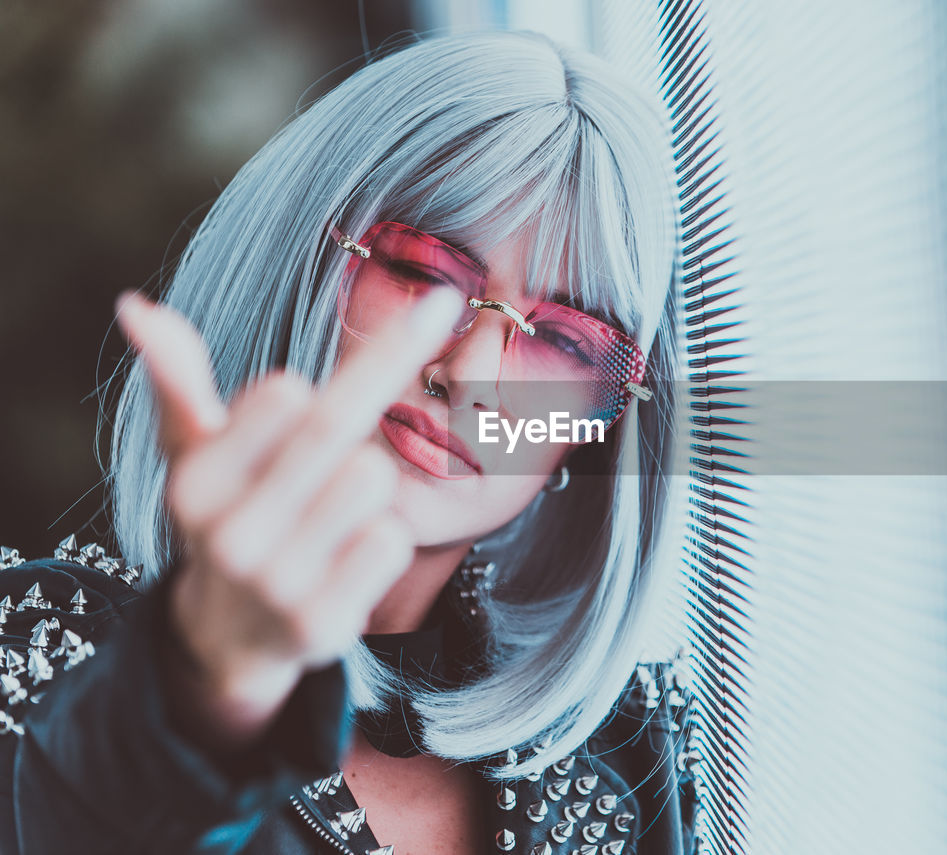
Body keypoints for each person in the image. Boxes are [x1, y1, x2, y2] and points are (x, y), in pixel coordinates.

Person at [0, 29, 698, 855]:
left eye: (569, 341)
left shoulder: (631, 754)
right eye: (425, 272)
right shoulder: (30, 652)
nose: (471, 369)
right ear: (298, 260)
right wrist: (196, 699)